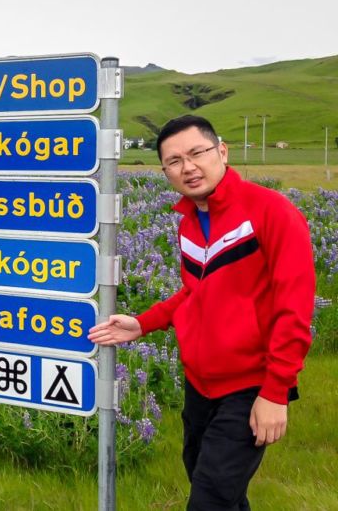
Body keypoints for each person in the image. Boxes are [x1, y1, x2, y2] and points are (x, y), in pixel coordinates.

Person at [88, 115, 315, 510]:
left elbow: (294, 309)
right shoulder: (189, 223)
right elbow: (194, 293)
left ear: (221, 152)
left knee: (209, 498)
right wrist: (143, 323)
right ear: (165, 171)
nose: (188, 167)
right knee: (213, 486)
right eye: (174, 161)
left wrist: (275, 391)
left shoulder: (272, 211)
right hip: (200, 384)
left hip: (249, 384)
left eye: (197, 153)